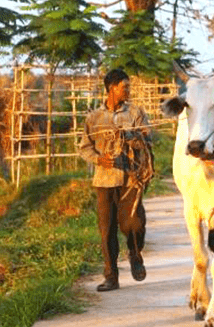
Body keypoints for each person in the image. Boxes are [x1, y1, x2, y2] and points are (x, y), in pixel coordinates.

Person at [78, 68, 154, 292]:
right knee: (107, 230)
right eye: (125, 87)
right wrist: (99, 159)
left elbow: (148, 137)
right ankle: (111, 276)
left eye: (128, 86)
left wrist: (132, 136)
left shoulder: (135, 113)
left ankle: (135, 253)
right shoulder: (94, 117)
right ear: (112, 89)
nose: (128, 90)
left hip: (131, 179)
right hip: (104, 181)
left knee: (135, 223)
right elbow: (84, 148)